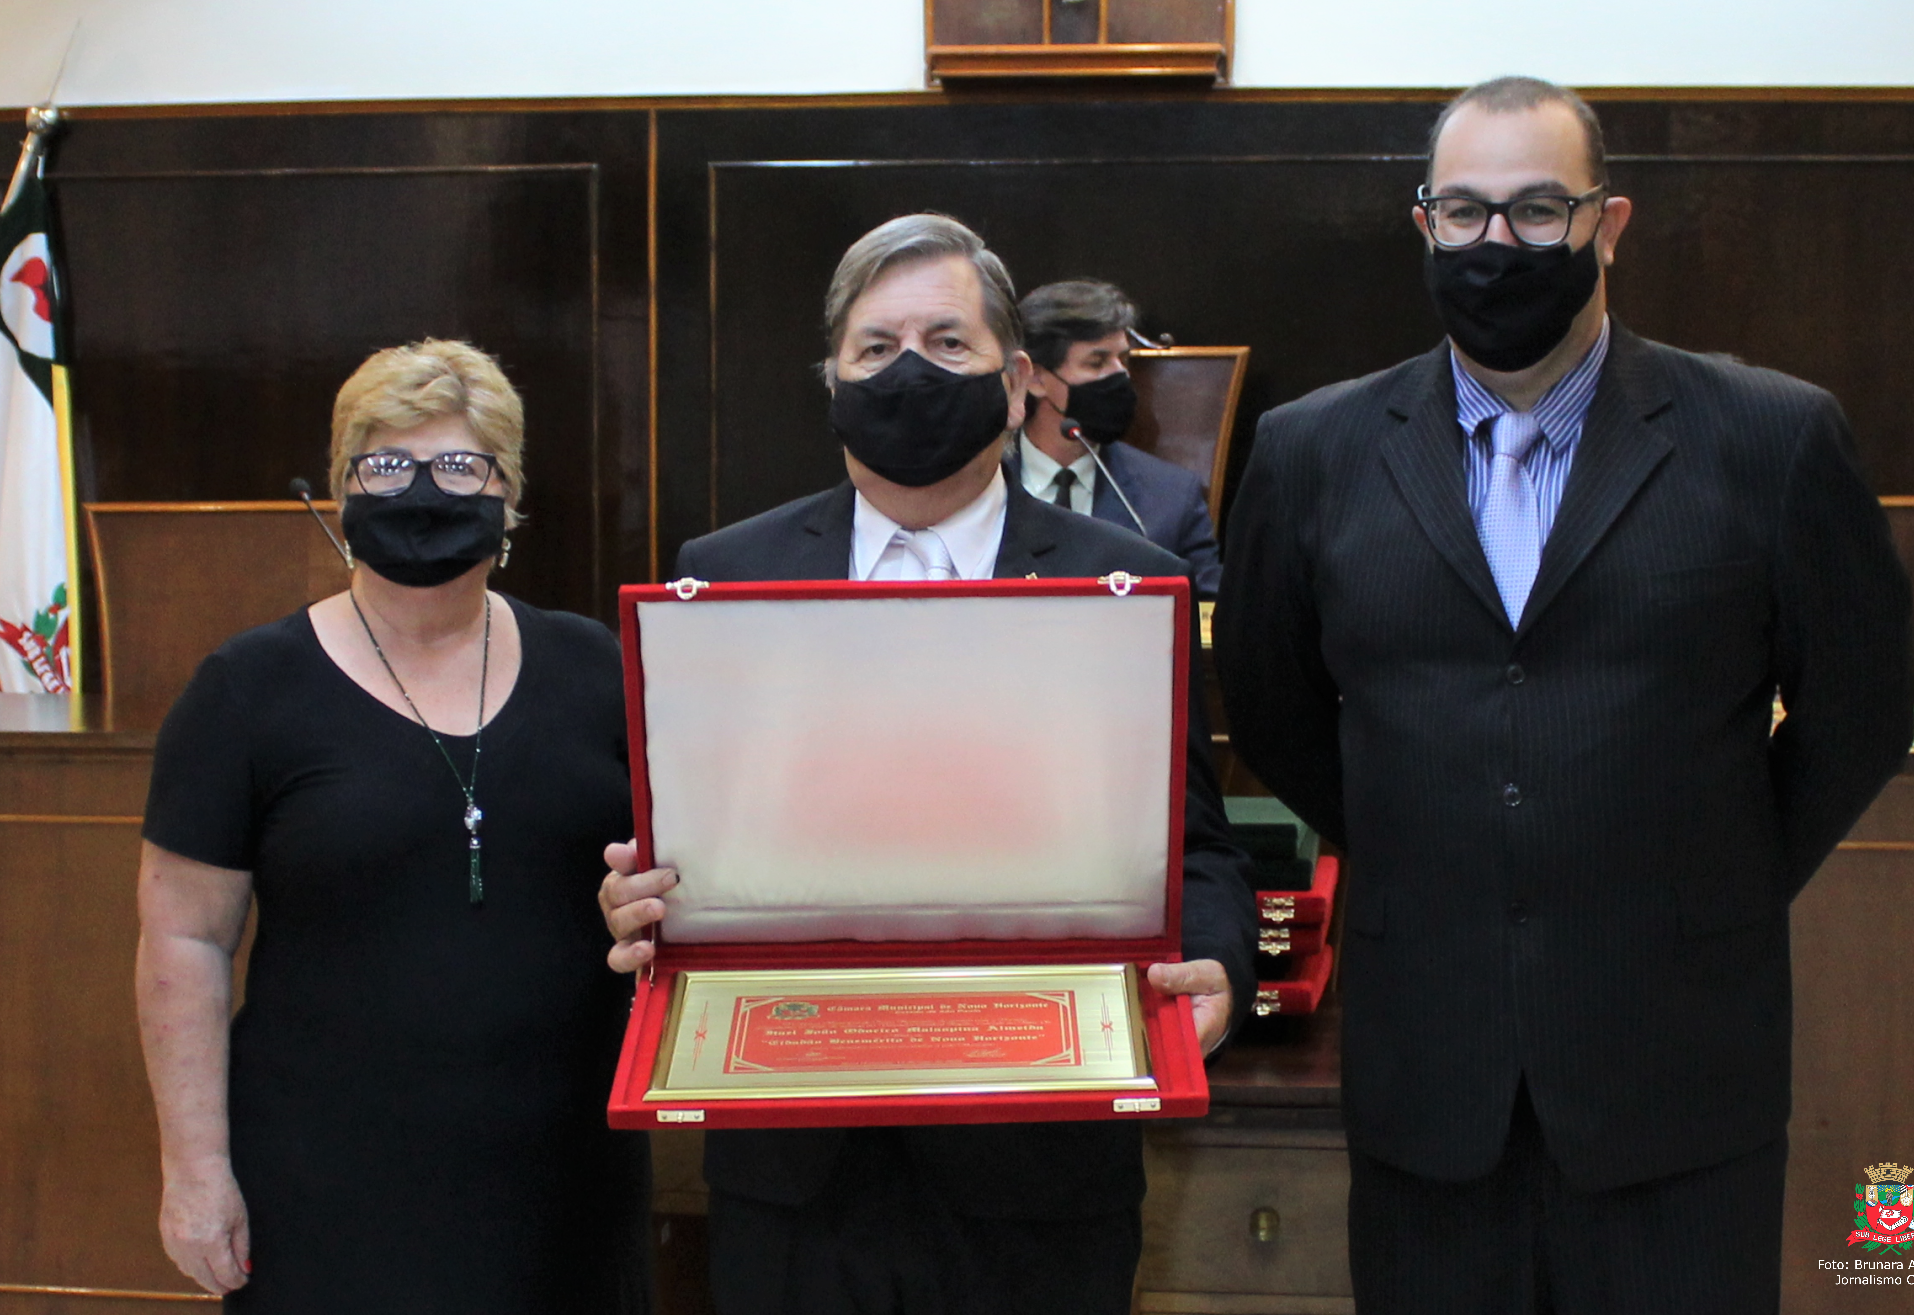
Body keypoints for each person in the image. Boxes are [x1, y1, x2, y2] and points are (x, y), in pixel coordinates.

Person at [1215, 77, 1914, 1314]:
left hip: (1678, 1076)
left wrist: (1715, 874)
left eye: (1538, 210)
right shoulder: (1309, 451)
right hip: (1427, 1076)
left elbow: (1859, 712)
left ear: (1609, 222)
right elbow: (1270, 706)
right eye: (1464, 211)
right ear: (1422, 221)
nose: (1497, 243)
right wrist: (1427, 844)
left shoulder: (1771, 437)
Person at [598, 214, 1258, 1315]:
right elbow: (689, 842)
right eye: (876, 348)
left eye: (948, 343)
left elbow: (1198, 845)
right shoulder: (727, 574)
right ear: (832, 381)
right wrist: (643, 898)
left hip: (1042, 1169)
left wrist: (1221, 977)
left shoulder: (1125, 582)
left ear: (1016, 381)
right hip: (793, 1172)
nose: (910, 371)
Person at [135, 340, 653, 1312]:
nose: (421, 490)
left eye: (458, 464)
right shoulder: (245, 691)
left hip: (564, 1183)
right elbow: (183, 939)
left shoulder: (599, 668)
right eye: (386, 465)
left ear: (509, 495)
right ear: (340, 490)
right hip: (325, 1188)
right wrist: (193, 1170)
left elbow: (668, 877)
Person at [1010, 279, 1223, 596]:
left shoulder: (1173, 497)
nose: (1120, 375)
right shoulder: (980, 484)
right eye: (1096, 362)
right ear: (1036, 378)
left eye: (1123, 360)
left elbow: (1206, 611)